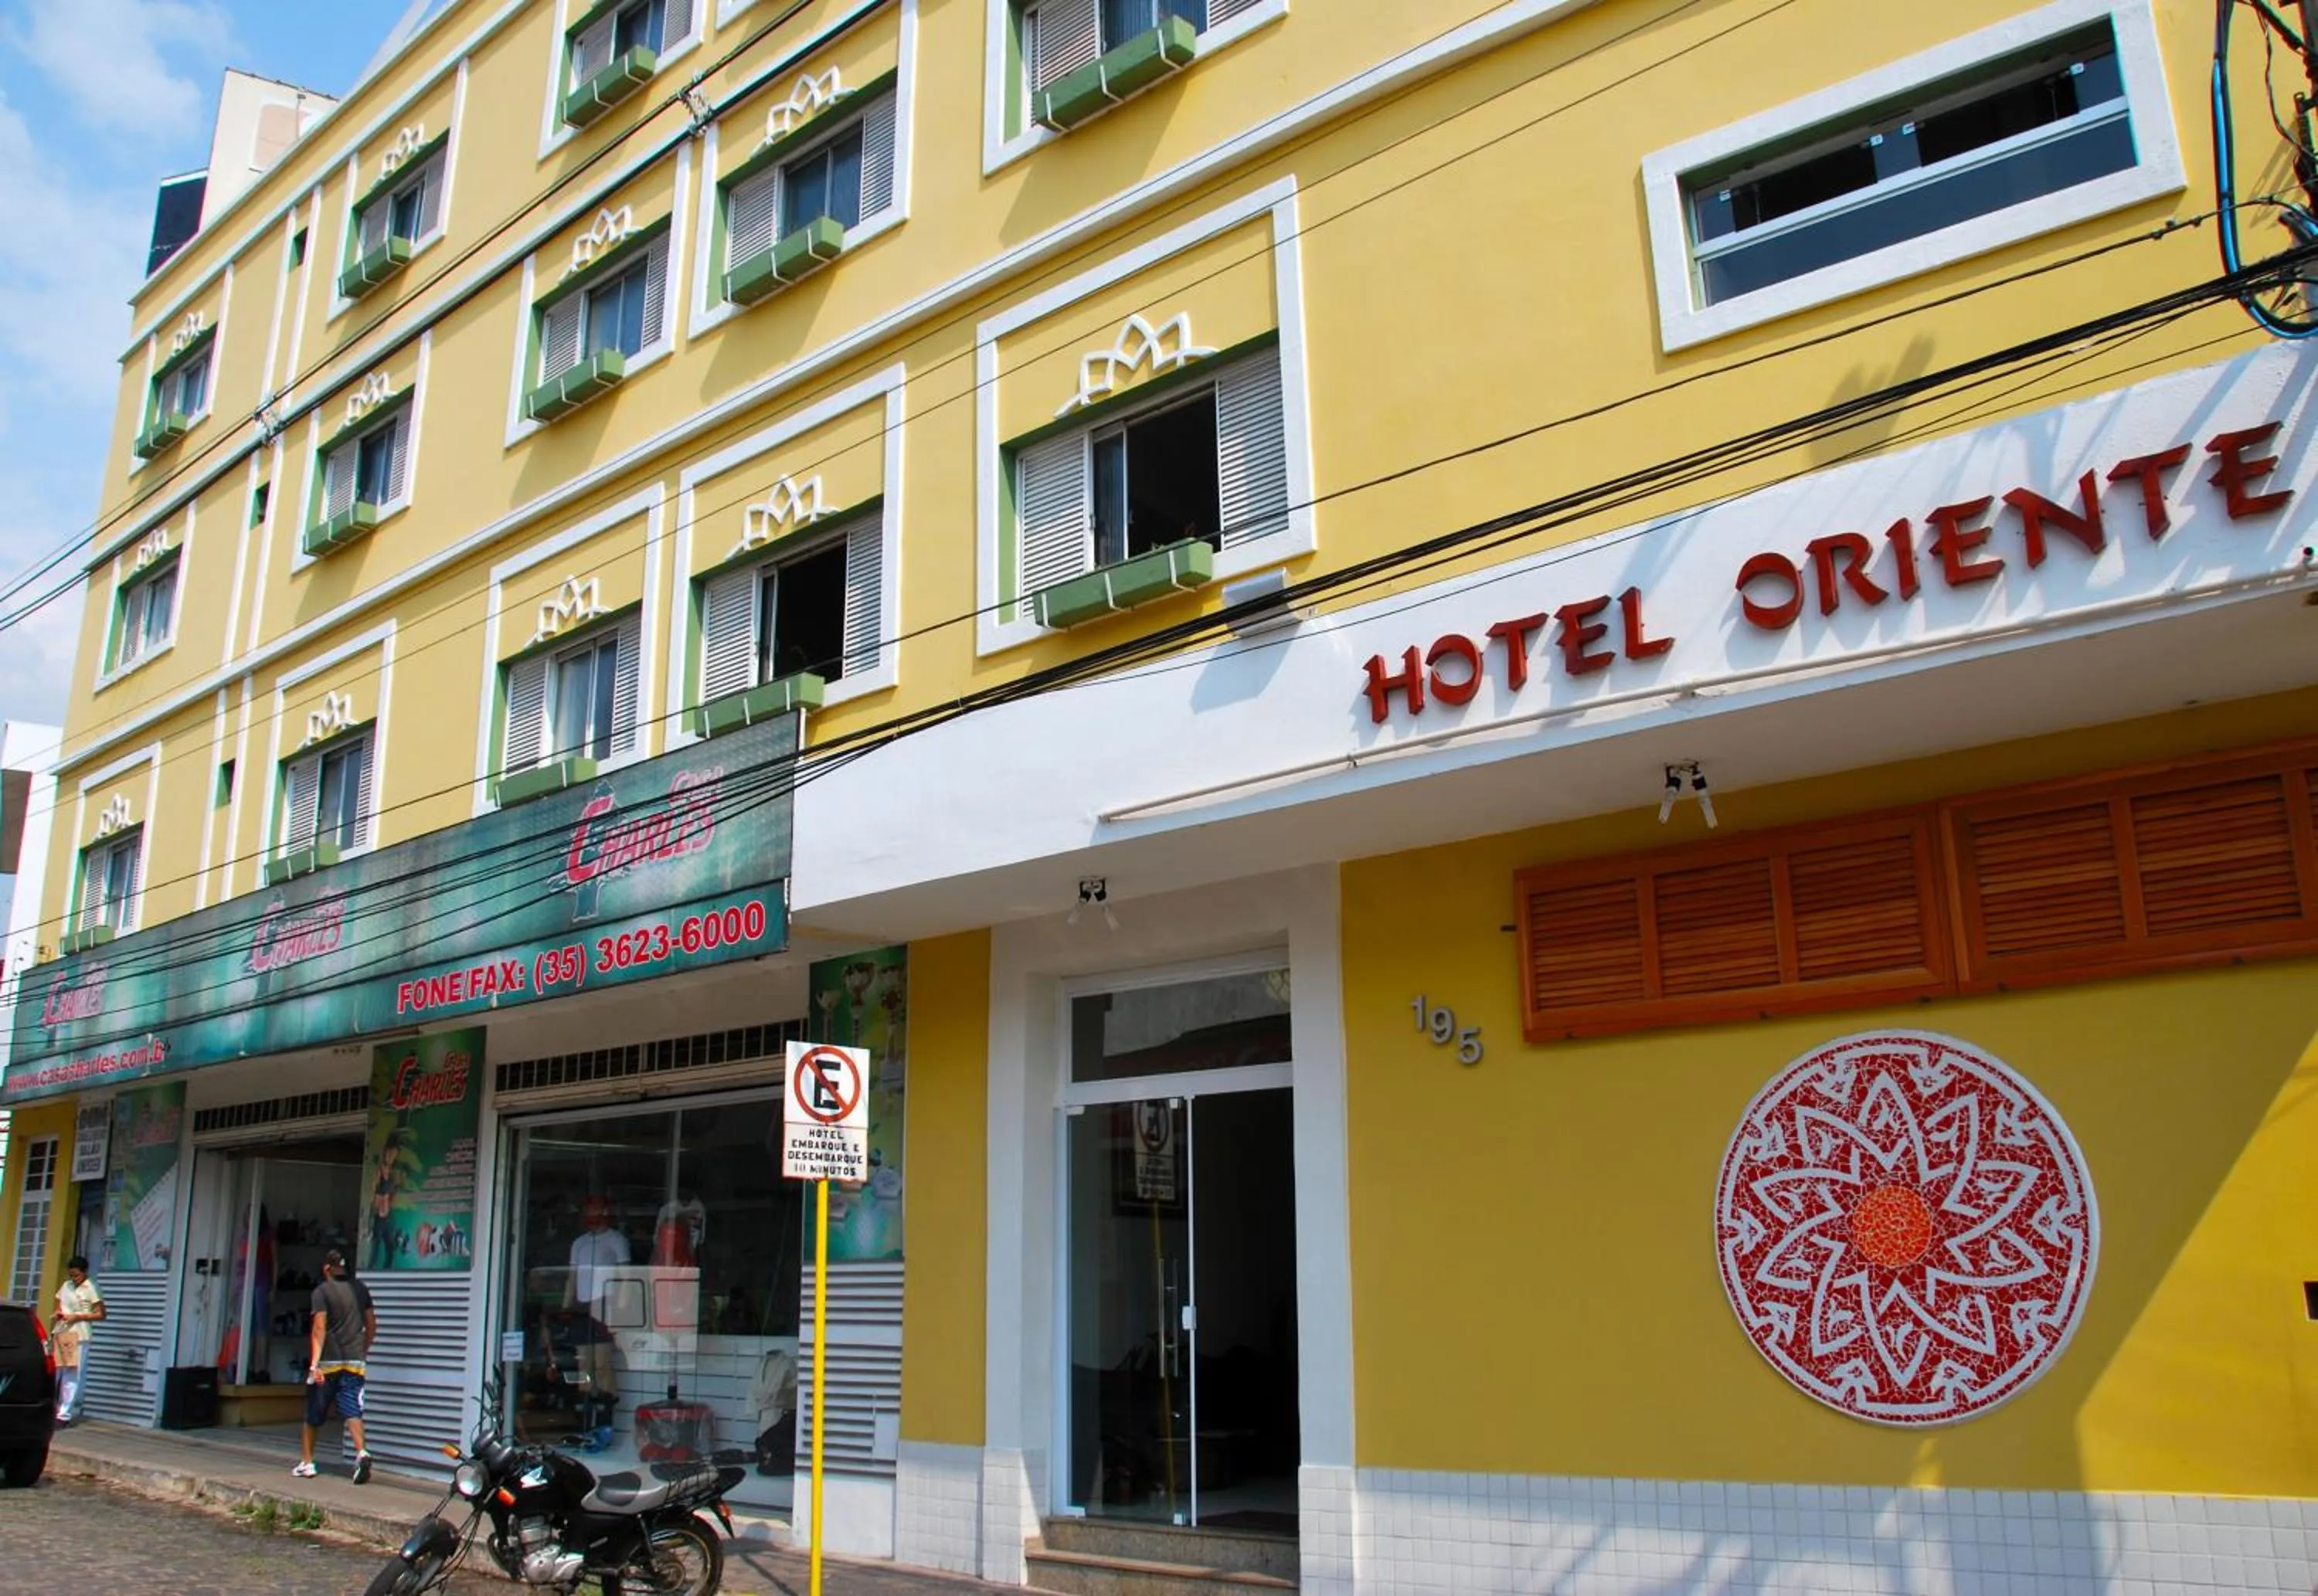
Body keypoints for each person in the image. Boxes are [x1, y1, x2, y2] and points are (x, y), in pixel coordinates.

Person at [295, 1248, 376, 1483]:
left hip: (327, 1364)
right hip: (354, 1362)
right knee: (353, 1409)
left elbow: (319, 1328)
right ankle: (361, 1452)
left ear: (327, 1269)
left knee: (314, 1412)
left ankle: (307, 1463)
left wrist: (314, 1364)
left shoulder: (322, 1291)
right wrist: (364, 1349)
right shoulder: (361, 1289)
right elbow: (371, 1324)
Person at [562, 1194, 629, 1452]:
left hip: (605, 1305)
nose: (591, 1215)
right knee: (584, 1364)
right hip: (582, 1308)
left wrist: (620, 1311)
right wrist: (566, 1306)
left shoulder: (616, 1241)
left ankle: (605, 1417)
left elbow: (625, 1277)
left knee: (602, 1364)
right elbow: (572, 1276)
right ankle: (584, 1421)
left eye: (596, 1209)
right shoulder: (579, 1244)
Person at [51, 1256, 105, 1426]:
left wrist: (78, 1316)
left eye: (77, 1275)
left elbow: (101, 1314)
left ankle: (64, 1414)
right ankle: (50, 1408)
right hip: (63, 1332)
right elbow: (60, 1306)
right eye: (71, 1275)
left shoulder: (92, 1288)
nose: (74, 1279)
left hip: (80, 1334)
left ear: (84, 1272)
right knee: (56, 1372)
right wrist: (59, 1314)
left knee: (72, 1375)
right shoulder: (66, 1286)